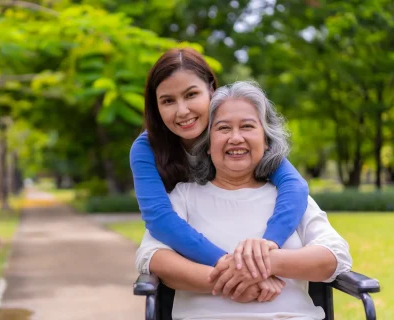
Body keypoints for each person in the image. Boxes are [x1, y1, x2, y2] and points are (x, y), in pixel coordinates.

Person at [135, 81, 352, 320]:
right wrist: (237, 281)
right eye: (223, 128)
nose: (235, 138)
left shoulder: (289, 199)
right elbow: (153, 257)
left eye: (247, 126)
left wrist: (268, 262)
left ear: (266, 140)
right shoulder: (184, 196)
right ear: (207, 145)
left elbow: (335, 256)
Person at [130, 47, 309, 280]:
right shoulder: (146, 149)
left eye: (191, 94)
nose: (182, 111)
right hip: (191, 263)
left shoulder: (238, 140)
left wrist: (265, 247)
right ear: (156, 107)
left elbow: (295, 186)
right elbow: (160, 219)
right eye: (168, 101)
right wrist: (230, 265)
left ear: (211, 91)